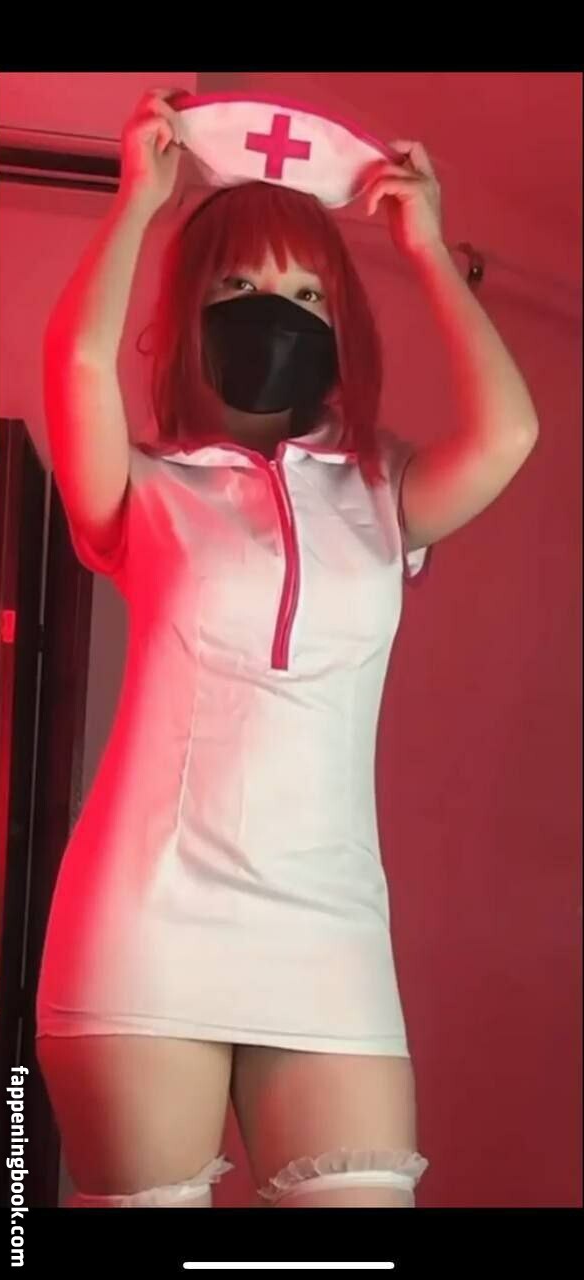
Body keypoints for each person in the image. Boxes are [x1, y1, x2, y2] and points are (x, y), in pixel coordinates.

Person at [35, 88, 539, 1210]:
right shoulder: (145, 489)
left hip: (330, 928)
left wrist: (426, 246)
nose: (277, 313)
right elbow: (76, 367)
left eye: (308, 293)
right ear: (191, 313)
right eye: (240, 289)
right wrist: (135, 203)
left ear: (341, 322)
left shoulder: (384, 489)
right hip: (146, 918)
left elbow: (510, 432)